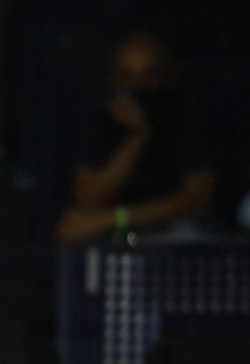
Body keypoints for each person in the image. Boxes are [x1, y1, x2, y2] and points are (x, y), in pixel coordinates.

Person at [55, 31, 216, 247]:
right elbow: (87, 201)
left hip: (175, 242)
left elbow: (196, 201)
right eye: (127, 77)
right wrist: (137, 136)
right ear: (112, 81)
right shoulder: (99, 122)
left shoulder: (186, 119)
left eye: (149, 75)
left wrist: (112, 218)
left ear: (168, 78)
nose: (138, 87)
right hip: (112, 239)